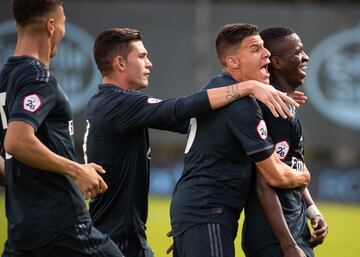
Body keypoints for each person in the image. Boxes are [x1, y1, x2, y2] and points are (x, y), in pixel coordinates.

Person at [83, 27, 300, 257]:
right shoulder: (115, 104)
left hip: (134, 237)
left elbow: (198, 122)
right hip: (114, 237)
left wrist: (191, 227)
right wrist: (248, 87)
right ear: (120, 63)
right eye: (142, 56)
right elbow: (179, 109)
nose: (149, 64)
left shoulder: (121, 105)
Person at [169, 23, 311, 257]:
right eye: (256, 49)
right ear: (233, 62)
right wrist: (303, 176)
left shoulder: (217, 90)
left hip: (197, 213)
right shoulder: (241, 105)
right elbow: (273, 175)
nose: (266, 53)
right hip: (209, 214)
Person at [0, 1, 124, 256]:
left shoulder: (5, 77)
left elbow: (9, 154)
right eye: (64, 23)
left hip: (23, 230)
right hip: (64, 226)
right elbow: (16, 142)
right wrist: (76, 169)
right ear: (51, 26)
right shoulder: (38, 76)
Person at [242, 27, 328, 257]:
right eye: (298, 52)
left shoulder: (285, 103)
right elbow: (266, 181)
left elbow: (292, 166)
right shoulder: (276, 109)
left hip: (290, 231)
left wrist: (312, 210)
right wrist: (288, 245)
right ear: (277, 62)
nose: (306, 57)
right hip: (276, 239)